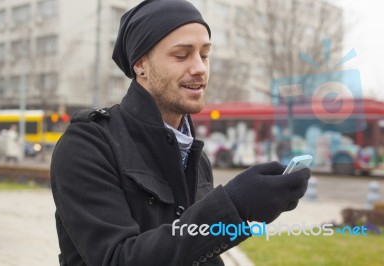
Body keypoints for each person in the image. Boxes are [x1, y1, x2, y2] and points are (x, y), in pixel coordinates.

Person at [51, 1, 311, 265]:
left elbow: (197, 254)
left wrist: (250, 210)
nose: (200, 68)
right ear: (140, 64)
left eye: (204, 54)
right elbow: (118, 258)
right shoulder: (87, 145)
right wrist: (233, 206)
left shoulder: (197, 158)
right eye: (181, 55)